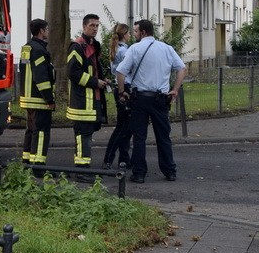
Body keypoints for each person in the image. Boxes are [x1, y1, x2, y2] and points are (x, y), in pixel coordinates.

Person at [115, 20, 187, 184]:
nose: (134, 34)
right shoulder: (167, 48)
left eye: (136, 31)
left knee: (139, 137)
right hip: (161, 99)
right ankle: (170, 171)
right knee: (163, 136)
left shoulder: (134, 49)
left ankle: (139, 173)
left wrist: (121, 92)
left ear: (143, 32)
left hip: (140, 99)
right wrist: (175, 89)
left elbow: (120, 72)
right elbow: (182, 68)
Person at [66, 13, 109, 172]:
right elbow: (73, 73)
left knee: (87, 135)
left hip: (92, 101)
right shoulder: (77, 46)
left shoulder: (93, 45)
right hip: (82, 102)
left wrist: (103, 79)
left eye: (97, 26)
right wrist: (95, 82)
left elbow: (95, 69)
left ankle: (84, 168)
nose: (95, 29)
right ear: (84, 27)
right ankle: (82, 170)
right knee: (83, 137)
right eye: (92, 25)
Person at [19, 19, 55, 166]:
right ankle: (38, 165)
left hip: (27, 98)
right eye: (46, 29)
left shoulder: (27, 48)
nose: (48, 31)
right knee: (40, 133)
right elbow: (41, 78)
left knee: (31, 131)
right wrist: (49, 99)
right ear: (41, 30)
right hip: (39, 99)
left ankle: (27, 161)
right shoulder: (39, 50)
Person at [103, 23, 133, 169]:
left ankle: (124, 158)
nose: (130, 35)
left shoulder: (116, 49)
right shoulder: (124, 51)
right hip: (125, 87)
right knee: (122, 127)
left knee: (126, 127)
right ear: (124, 34)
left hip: (119, 87)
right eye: (129, 33)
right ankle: (109, 159)